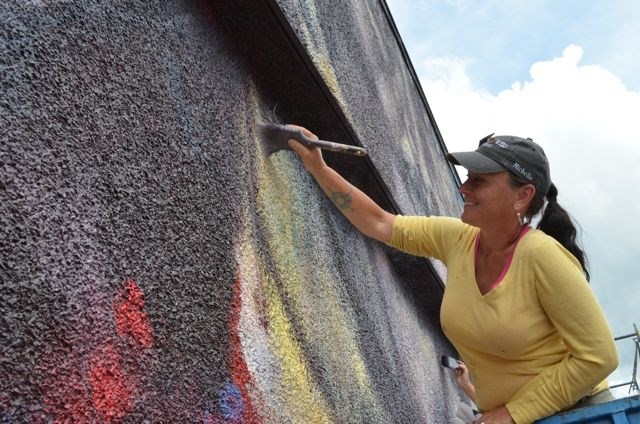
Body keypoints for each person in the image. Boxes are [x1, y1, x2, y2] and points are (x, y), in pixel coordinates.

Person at [286, 125, 618, 424]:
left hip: (580, 414)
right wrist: (318, 166)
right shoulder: (456, 238)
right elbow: (380, 222)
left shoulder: (543, 257)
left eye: (480, 181)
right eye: (467, 176)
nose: (464, 188)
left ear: (523, 196)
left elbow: (599, 357)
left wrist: (514, 413)